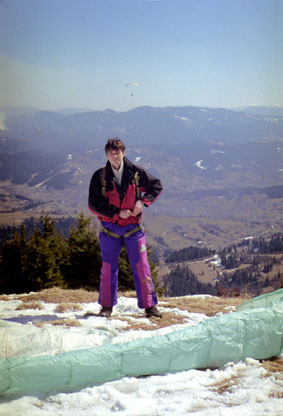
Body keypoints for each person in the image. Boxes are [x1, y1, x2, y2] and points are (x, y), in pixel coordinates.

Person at [88, 138, 163, 318]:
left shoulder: (136, 173)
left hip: (133, 229)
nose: (115, 156)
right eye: (111, 153)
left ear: (124, 152)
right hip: (109, 229)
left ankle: (150, 307)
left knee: (142, 267)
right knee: (108, 268)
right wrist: (116, 213)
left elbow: (156, 186)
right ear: (107, 155)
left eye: (118, 152)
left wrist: (142, 201)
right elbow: (93, 204)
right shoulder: (99, 176)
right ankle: (106, 307)